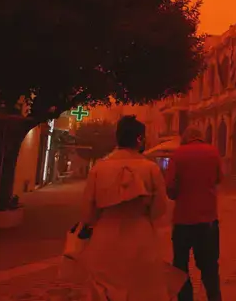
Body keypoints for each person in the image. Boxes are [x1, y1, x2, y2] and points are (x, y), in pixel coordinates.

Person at [79, 115, 186, 301]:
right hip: (140, 236)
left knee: (105, 290)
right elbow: (159, 209)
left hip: (105, 237)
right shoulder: (150, 169)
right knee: (141, 290)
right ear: (139, 139)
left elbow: (88, 212)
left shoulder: (98, 168)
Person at [164, 127, 224, 301]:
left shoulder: (179, 154)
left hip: (183, 219)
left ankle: (186, 298)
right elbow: (219, 178)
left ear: (186, 138)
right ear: (201, 137)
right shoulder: (213, 152)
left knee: (180, 266)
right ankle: (214, 297)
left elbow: (170, 187)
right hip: (208, 220)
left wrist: (177, 194)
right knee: (210, 266)